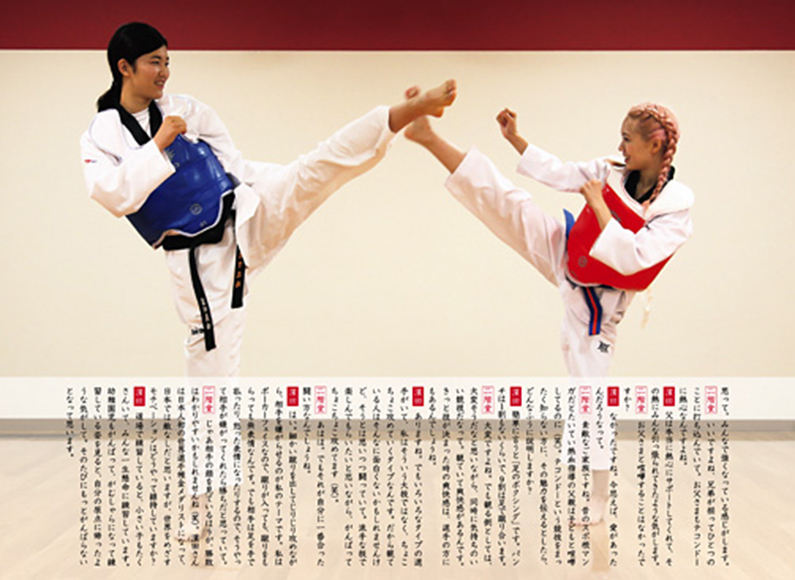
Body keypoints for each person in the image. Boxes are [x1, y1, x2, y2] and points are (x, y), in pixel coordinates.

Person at [81, 22, 457, 541]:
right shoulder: (102, 133)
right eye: (154, 62)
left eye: (168, 61)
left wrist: (282, 182)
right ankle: (198, 506)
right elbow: (112, 195)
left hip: (243, 213)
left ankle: (401, 115)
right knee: (212, 378)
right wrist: (160, 146)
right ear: (124, 67)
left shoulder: (188, 108)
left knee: (314, 168)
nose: (165, 72)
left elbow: (232, 165)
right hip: (201, 263)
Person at [404, 89, 693, 524]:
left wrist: (598, 205)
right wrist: (516, 140)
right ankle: (429, 137)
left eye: (627, 139)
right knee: (510, 203)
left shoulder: (675, 206)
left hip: (597, 304)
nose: (620, 146)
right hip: (567, 253)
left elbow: (635, 259)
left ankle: (598, 498)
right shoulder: (613, 170)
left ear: (654, 145)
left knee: (590, 394)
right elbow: (562, 172)